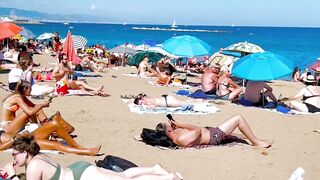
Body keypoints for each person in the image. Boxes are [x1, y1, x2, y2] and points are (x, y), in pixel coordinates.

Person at [0, 134, 182, 180]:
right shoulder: (39, 156)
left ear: (25, 152)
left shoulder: (32, 167)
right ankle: (155, 169)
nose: (14, 158)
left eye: (15, 154)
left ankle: (168, 177)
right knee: (123, 176)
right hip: (80, 169)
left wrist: (14, 176)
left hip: (82, 177)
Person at [156, 114, 272, 148]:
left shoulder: (176, 134)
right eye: (169, 126)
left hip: (211, 132)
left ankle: (250, 137)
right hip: (214, 136)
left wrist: (178, 127)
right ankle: (256, 142)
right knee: (238, 118)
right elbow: (198, 130)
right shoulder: (180, 139)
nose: (171, 125)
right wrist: (181, 124)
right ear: (168, 131)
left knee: (237, 135)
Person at [133, 94, 201, 108]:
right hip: (166, 97)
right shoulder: (145, 97)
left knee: (184, 104)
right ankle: (197, 100)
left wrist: (148, 106)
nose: (142, 104)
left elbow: (153, 106)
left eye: (141, 103)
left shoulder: (146, 102)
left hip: (168, 102)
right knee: (183, 101)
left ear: (142, 100)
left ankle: (198, 101)